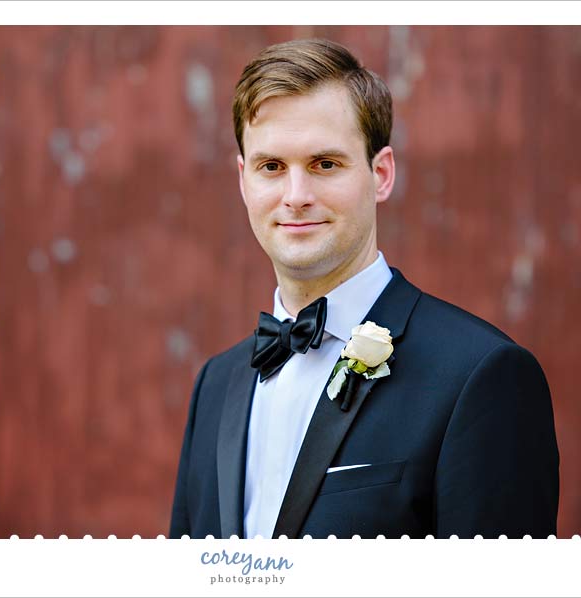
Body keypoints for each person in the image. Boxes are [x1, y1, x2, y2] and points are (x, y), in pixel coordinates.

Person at [169, 38, 559, 539]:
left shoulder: (481, 376)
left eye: (324, 164)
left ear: (381, 174)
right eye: (271, 167)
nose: (296, 196)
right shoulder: (215, 385)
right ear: (243, 180)